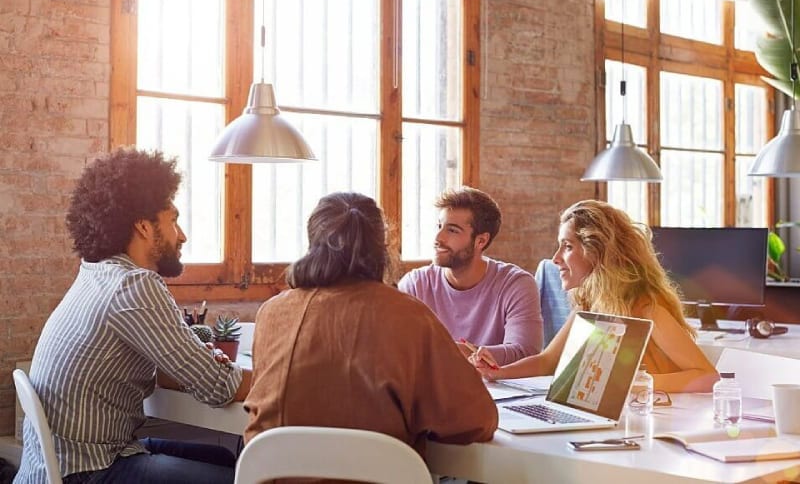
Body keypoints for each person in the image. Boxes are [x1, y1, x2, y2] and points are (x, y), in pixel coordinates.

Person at [14, 149, 244, 484]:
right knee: (240, 476)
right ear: (144, 226)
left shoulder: (97, 272)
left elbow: (176, 368)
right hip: (88, 471)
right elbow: (220, 387)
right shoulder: (134, 285)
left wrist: (197, 358)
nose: (182, 235)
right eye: (173, 220)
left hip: (62, 465)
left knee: (226, 458)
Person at [244, 192, 497, 455]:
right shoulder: (409, 316)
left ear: (312, 242)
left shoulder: (271, 313)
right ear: (381, 246)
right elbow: (478, 421)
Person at [471, 199, 718, 393]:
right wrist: (498, 372)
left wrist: (630, 385)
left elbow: (707, 377)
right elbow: (547, 362)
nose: (555, 258)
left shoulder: (647, 308)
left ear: (597, 252)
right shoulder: (588, 305)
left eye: (567, 247)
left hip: (661, 422)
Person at [398, 186, 542, 366]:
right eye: (439, 226)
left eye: (452, 230)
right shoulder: (414, 285)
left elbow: (525, 352)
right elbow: (400, 352)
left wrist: (465, 352)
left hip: (496, 391)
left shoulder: (516, 285)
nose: (438, 238)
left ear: (481, 241)